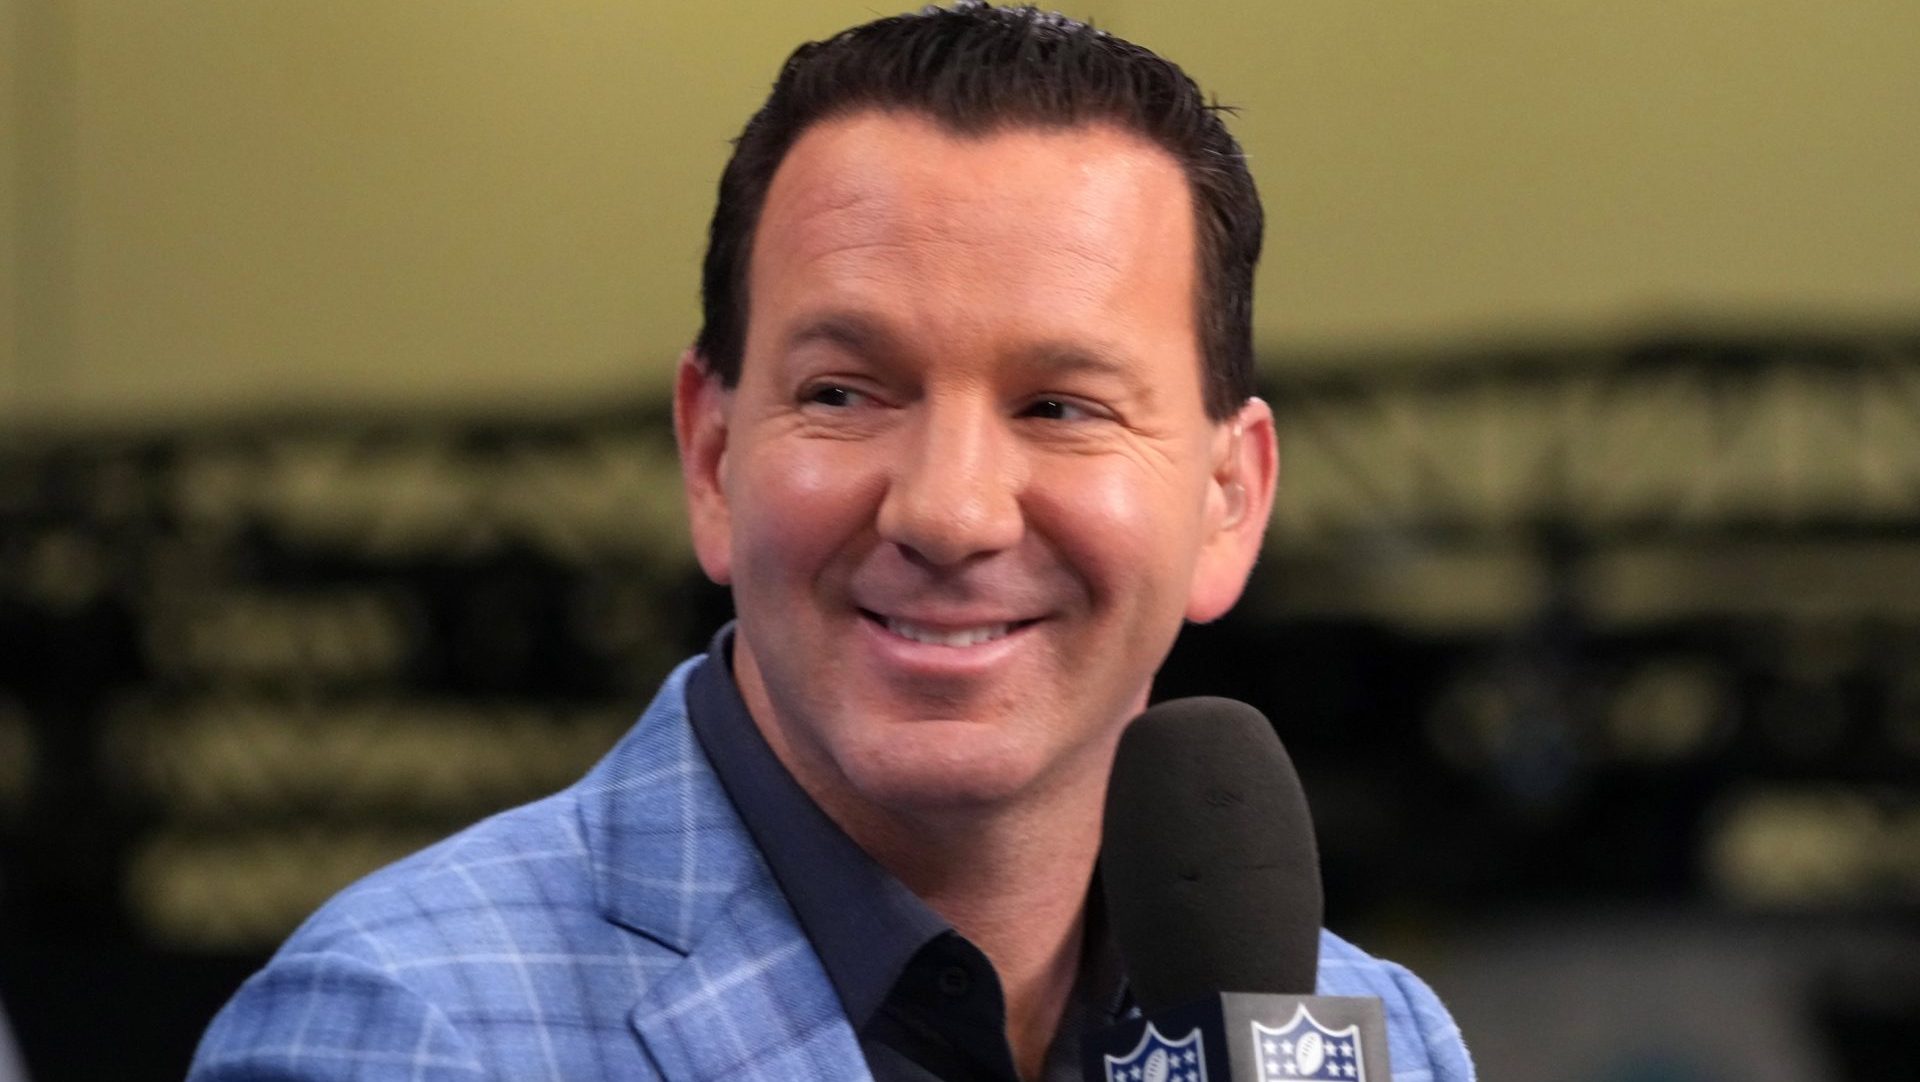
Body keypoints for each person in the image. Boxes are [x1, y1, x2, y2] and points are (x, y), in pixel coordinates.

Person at [189, 4, 1473, 1080]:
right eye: (847, 393)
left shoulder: (1383, 1043)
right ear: (710, 456)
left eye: (1061, 406)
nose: (950, 510)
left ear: (1229, 500)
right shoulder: (408, 1029)